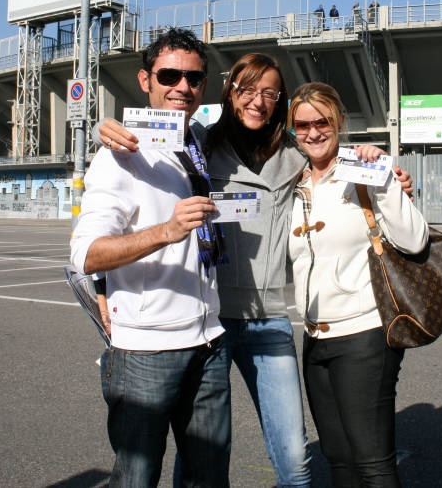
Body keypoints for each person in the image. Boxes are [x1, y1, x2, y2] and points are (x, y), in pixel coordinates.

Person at [96, 52, 413, 487]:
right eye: (247, 90)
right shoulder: (202, 144)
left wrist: (383, 168)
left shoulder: (294, 152)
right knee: (200, 453)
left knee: (294, 459)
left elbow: (330, 149)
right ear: (230, 93)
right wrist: (110, 128)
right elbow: (140, 154)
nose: (257, 101)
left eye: (269, 93)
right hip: (211, 322)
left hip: (270, 318)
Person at [70, 29, 230, 487]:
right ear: (145, 80)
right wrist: (166, 231)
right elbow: (86, 252)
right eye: (169, 75)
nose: (183, 87)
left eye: (194, 78)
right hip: (146, 351)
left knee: (208, 478)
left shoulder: (195, 143)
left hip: (209, 342)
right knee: (136, 478)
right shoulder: (119, 155)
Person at [287, 82, 428, 487]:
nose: (312, 132)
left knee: (372, 461)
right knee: (339, 459)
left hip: (364, 333)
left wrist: (383, 177)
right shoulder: (293, 182)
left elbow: (414, 240)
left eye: (322, 122)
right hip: (314, 336)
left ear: (339, 122)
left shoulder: (362, 168)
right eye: (302, 125)